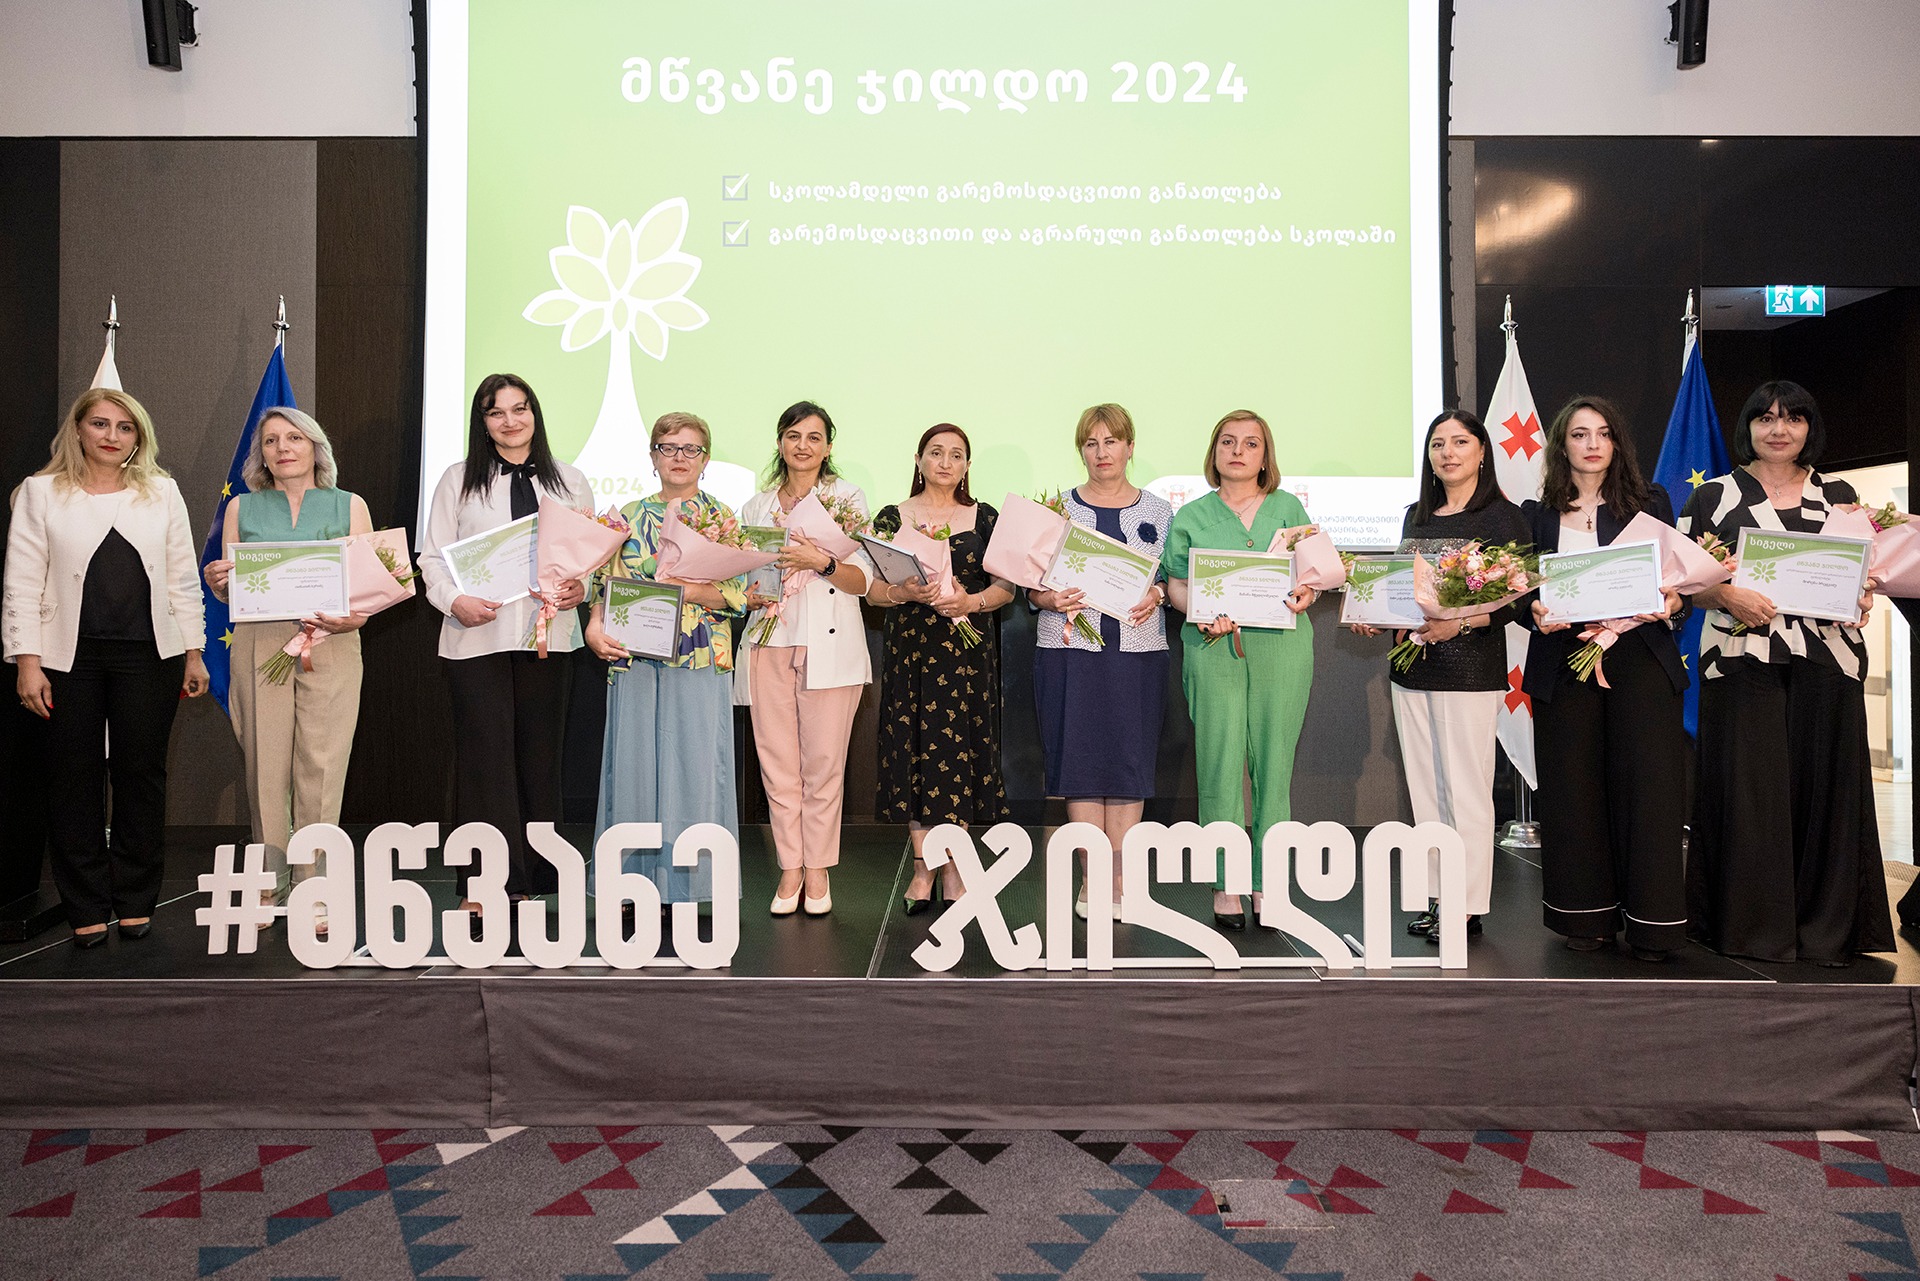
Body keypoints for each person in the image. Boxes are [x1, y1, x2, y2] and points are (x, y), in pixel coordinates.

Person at [1680, 380, 1891, 965]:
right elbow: (1684, 583)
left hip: (1829, 662)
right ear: (1747, 426)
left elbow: (1860, 574)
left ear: (1809, 428)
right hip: (1741, 662)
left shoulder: (1841, 497)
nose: (1779, 430)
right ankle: (1752, 930)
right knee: (1752, 798)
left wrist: (1861, 596)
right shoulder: (1714, 497)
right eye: (1766, 418)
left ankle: (1827, 933)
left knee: (1826, 796)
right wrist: (1726, 595)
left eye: (1793, 419)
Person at [3, 388, 209, 948]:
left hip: (151, 657)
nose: (112, 436)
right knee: (73, 778)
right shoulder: (41, 492)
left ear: (138, 437)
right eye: (100, 424)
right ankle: (86, 906)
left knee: (141, 776)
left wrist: (194, 651)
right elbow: (21, 581)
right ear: (78, 430)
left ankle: (137, 899)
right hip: (66, 660)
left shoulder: (162, 492)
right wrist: (27, 663)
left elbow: (182, 577)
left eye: (125, 427)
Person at [419, 374, 591, 937]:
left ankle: (534, 879)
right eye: (497, 412)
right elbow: (431, 557)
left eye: (520, 409)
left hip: (548, 637)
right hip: (477, 640)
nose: (510, 421)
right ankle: (483, 885)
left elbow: (588, 560)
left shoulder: (570, 480)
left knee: (540, 759)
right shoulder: (457, 479)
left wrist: (581, 589)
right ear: (483, 422)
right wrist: (455, 601)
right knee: (485, 762)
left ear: (535, 414)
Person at [1520, 396, 1687, 961]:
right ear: (1561, 445)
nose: (1592, 444)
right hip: (1563, 667)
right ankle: (1585, 918)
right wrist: (1533, 612)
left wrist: (1672, 601)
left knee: (1648, 794)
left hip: (1640, 662)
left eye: (1603, 433)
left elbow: (1678, 585)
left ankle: (1653, 926)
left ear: (1617, 443)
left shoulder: (1650, 503)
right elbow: (1520, 595)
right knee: (1573, 793)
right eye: (1579, 434)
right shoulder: (1536, 514)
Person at [1350, 409, 1527, 941]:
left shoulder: (1502, 517)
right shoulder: (1417, 516)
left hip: (1470, 670)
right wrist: (1378, 616)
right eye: (1437, 444)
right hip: (1413, 670)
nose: (1447, 452)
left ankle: (1467, 905)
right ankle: (1436, 896)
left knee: (1466, 791)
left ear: (1482, 451)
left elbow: (1518, 600)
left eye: (1459, 442)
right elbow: (1406, 591)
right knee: (1426, 792)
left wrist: (1462, 622)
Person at [204, 408, 373, 938]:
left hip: (332, 641)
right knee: (266, 764)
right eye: (272, 440)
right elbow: (230, 590)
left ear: (315, 447)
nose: (283, 448)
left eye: (294, 437)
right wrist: (219, 583)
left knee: (322, 765)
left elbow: (372, 587)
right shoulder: (242, 506)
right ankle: (268, 883)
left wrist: (353, 617)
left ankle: (314, 885)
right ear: (261, 454)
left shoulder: (350, 505)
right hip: (259, 641)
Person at [1163, 410, 1318, 931]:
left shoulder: (1289, 507)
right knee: (1219, 763)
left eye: (1251, 443)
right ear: (1214, 452)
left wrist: (1307, 594)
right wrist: (1199, 610)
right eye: (1227, 442)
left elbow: (1311, 578)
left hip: (1282, 651)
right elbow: (1177, 585)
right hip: (1213, 648)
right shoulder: (1191, 515)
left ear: (1265, 455)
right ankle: (1225, 883)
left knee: (1274, 767)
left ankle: (1267, 883)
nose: (1238, 451)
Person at [584, 411, 746, 908]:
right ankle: (629, 886)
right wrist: (593, 627)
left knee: (697, 769)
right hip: (633, 656)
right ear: (652, 456)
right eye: (668, 447)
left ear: (706, 458)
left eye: (690, 448)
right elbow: (601, 589)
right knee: (632, 768)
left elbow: (738, 595)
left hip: (699, 655)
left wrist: (687, 589)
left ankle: (692, 888)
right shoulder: (625, 518)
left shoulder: (722, 519)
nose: (679, 457)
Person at [1027, 404, 1171, 918]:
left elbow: (1172, 580)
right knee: (1081, 761)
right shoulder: (1055, 509)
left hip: (1137, 653)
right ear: (1081, 451)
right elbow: (1030, 587)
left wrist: (1157, 594)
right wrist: (1047, 598)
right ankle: (1092, 879)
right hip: (1069, 652)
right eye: (1091, 443)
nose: (1101, 452)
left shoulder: (1161, 512)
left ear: (1130, 447)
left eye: (1111, 441)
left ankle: (1122, 878)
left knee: (1129, 763)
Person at [869, 423, 1015, 911]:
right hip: (911, 654)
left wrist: (971, 602)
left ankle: (954, 869)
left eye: (956, 454)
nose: (945, 462)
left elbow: (1007, 589)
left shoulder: (986, 517)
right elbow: (871, 591)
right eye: (936, 452)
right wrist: (902, 592)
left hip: (966, 658)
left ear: (967, 465)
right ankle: (921, 869)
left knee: (959, 757)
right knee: (914, 755)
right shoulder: (892, 517)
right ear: (919, 460)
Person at [735, 402, 872, 916]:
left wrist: (823, 561)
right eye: (793, 435)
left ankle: (818, 869)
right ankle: (789, 867)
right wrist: (745, 592)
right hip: (769, 640)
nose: (803, 446)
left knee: (823, 766)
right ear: (780, 443)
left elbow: (864, 582)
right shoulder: (756, 507)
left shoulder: (847, 500)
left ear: (828, 446)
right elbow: (741, 575)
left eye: (814, 437)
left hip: (829, 646)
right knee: (778, 767)